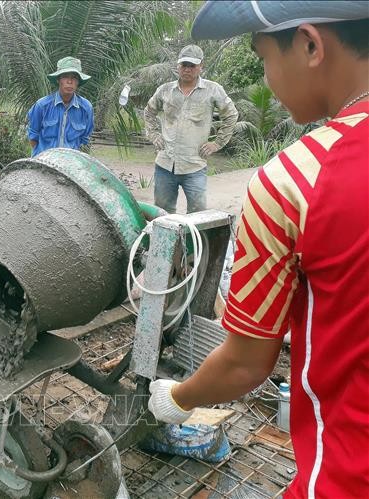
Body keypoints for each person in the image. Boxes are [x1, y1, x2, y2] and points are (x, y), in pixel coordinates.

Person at [147, 2, 369, 497]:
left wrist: (177, 397)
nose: (267, 77)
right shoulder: (165, 96)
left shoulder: (294, 183)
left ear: (310, 45)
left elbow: (246, 364)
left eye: (264, 57)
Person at [144, 45, 238, 214]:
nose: (187, 69)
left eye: (192, 65)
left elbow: (231, 115)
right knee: (162, 214)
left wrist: (217, 143)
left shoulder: (212, 90)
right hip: (165, 164)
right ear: (178, 66)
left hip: (194, 166)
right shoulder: (165, 90)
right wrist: (153, 134)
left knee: (198, 214)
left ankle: (194, 241)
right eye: (184, 65)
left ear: (201, 66)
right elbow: (149, 112)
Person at [27, 56, 94, 156]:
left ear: (78, 82)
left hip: (70, 164)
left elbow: (85, 139)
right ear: (58, 80)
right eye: (65, 76)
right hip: (43, 162)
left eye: (74, 78)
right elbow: (33, 137)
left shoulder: (86, 108)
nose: (70, 81)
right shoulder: (42, 106)